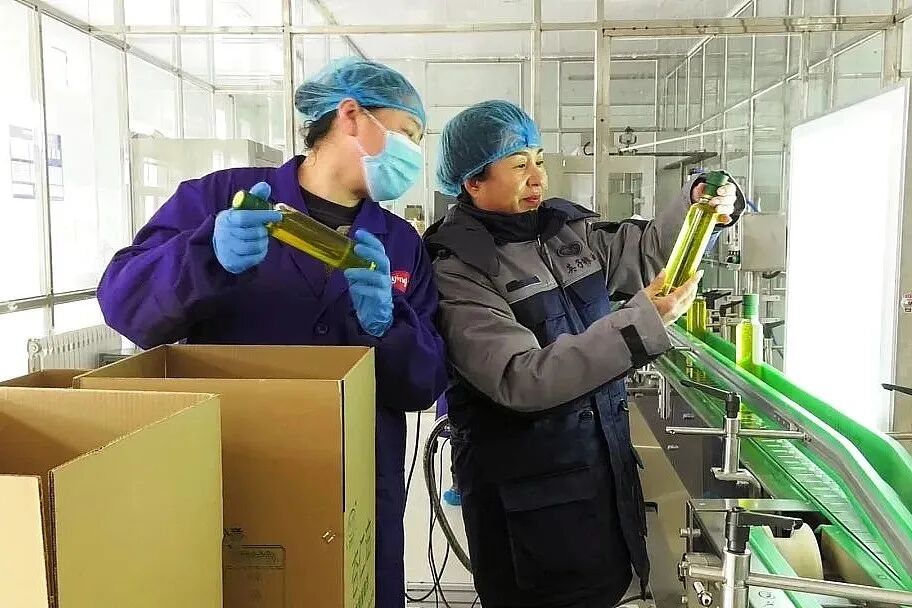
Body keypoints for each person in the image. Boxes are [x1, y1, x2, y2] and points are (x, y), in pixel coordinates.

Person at [97, 57, 448, 608]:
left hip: (356, 483)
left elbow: (424, 383)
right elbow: (123, 303)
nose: (412, 156)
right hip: (236, 474)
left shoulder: (401, 242)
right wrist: (203, 256)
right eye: (405, 134)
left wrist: (388, 326)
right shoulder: (219, 199)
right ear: (350, 115)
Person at [424, 100, 743, 608]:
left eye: (539, 160)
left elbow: (648, 251)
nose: (537, 177)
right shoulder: (459, 268)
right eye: (519, 165)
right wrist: (641, 323)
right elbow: (521, 378)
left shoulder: (567, 233)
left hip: (599, 482)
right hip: (528, 507)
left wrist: (698, 205)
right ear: (473, 182)